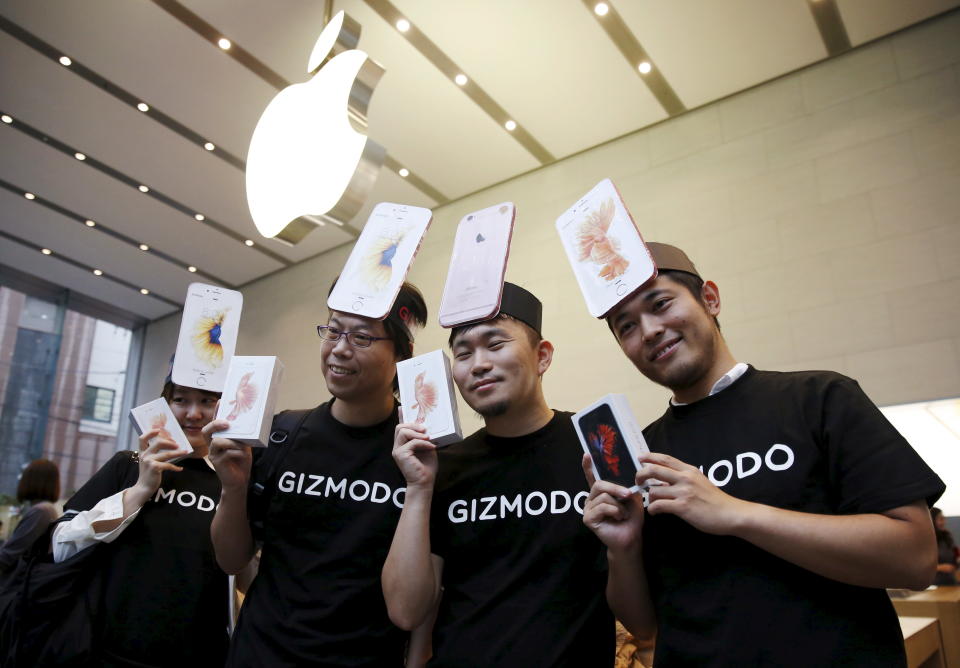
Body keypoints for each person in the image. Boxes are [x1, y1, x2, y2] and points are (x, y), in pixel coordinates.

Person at [583, 242, 946, 666]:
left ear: (710, 299)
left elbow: (916, 559)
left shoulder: (819, 398)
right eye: (626, 327)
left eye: (661, 303)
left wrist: (735, 513)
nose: (648, 331)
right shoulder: (645, 457)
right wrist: (622, 549)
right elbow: (643, 624)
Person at [383, 282, 614, 667]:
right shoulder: (444, 464)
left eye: (495, 345)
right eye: (463, 353)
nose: (479, 365)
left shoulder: (595, 444)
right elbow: (406, 611)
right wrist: (419, 488)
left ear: (542, 356)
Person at [207, 281, 429, 667]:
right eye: (333, 329)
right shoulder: (281, 434)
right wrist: (232, 488)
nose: (339, 348)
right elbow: (231, 559)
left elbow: (418, 604)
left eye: (361, 337)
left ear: (402, 355)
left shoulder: (419, 455)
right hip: (261, 654)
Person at [52, 378, 231, 667]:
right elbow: (60, 546)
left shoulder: (233, 481)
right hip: (103, 651)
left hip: (199, 655)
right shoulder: (128, 465)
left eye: (207, 401)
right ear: (164, 404)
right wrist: (139, 491)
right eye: (181, 399)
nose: (194, 413)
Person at [0, 459, 60, 580]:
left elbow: (8, 555)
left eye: (23, 476)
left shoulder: (41, 512)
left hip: (14, 588)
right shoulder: (45, 510)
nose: (20, 480)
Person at [932, 507, 958, 585]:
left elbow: (955, 555)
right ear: (932, 520)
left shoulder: (947, 537)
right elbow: (920, 566)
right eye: (940, 519)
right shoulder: (927, 540)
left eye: (944, 519)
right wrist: (940, 567)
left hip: (951, 583)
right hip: (934, 585)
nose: (944, 522)